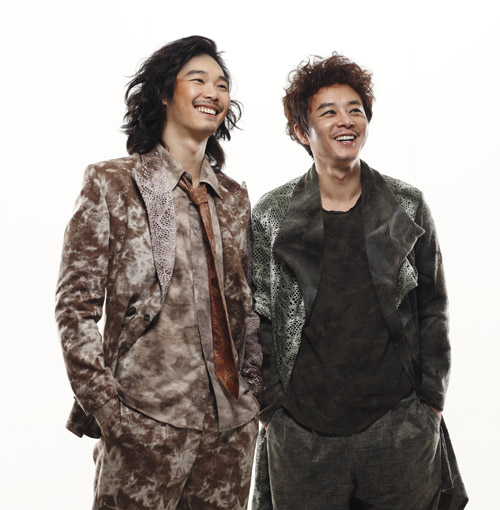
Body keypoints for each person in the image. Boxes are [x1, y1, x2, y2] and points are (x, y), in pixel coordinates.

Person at [251, 53, 468, 509]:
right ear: (301, 131)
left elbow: (434, 307)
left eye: (355, 109)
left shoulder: (406, 205)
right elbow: (257, 317)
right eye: (328, 112)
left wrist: (430, 400)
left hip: (398, 428)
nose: (346, 120)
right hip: (302, 434)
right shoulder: (272, 214)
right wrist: (272, 409)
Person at [55, 35, 262, 510]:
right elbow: (75, 306)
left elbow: (248, 305)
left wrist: (253, 395)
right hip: (143, 422)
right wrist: (107, 409)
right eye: (198, 79)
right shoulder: (112, 183)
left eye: (222, 84)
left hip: (229, 433)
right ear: (166, 93)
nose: (213, 91)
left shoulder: (233, 199)